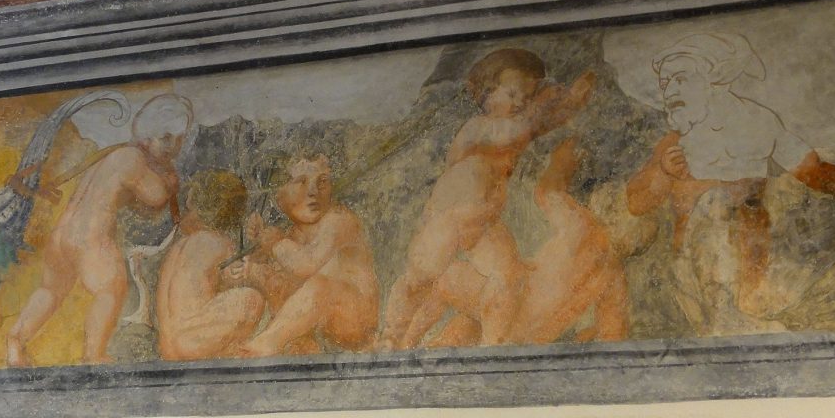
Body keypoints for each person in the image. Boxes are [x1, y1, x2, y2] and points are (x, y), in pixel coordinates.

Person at [626, 32, 835, 332]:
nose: (670, 91)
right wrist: (663, 173)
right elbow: (635, 203)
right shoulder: (673, 144)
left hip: (757, 274)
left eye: (680, 79)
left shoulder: (759, 124)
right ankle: (728, 313)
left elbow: (816, 173)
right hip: (696, 285)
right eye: (665, 84)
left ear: (711, 82)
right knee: (715, 201)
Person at [382, 47, 595, 349]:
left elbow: (536, 127)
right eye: (513, 94)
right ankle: (391, 336)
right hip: (450, 215)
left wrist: (573, 101)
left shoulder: (518, 126)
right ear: (487, 94)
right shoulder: (479, 127)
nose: (520, 102)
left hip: (484, 220)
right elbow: (517, 130)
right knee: (420, 278)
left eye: (527, 97)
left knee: (508, 275)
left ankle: (493, 344)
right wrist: (547, 103)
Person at [407, 138, 630, 347]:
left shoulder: (583, 225)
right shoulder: (613, 272)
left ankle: (407, 344)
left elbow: (547, 192)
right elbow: (613, 334)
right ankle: (433, 348)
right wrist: (583, 336)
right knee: (467, 323)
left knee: (447, 278)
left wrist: (561, 161)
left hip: (514, 310)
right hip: (528, 335)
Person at [6, 120, 183, 366]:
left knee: (50, 290)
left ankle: (15, 342)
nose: (172, 149)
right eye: (167, 141)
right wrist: (169, 182)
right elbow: (156, 196)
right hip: (90, 237)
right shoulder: (131, 158)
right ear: (149, 139)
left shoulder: (108, 156)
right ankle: (93, 354)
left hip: (62, 236)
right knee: (111, 287)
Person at [229, 153, 379, 356]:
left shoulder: (338, 220)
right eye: (301, 182)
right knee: (280, 284)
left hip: (354, 323)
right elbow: (285, 291)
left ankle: (268, 341)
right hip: (319, 331)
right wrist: (252, 266)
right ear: (279, 196)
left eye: (322, 182)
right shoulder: (291, 236)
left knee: (320, 286)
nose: (313, 192)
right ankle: (295, 342)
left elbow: (307, 264)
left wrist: (275, 244)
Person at [154, 170, 265, 360]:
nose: (182, 216)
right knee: (252, 298)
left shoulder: (178, 247)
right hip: (194, 344)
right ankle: (230, 352)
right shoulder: (219, 243)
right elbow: (237, 278)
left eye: (189, 209)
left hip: (168, 347)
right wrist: (258, 248)